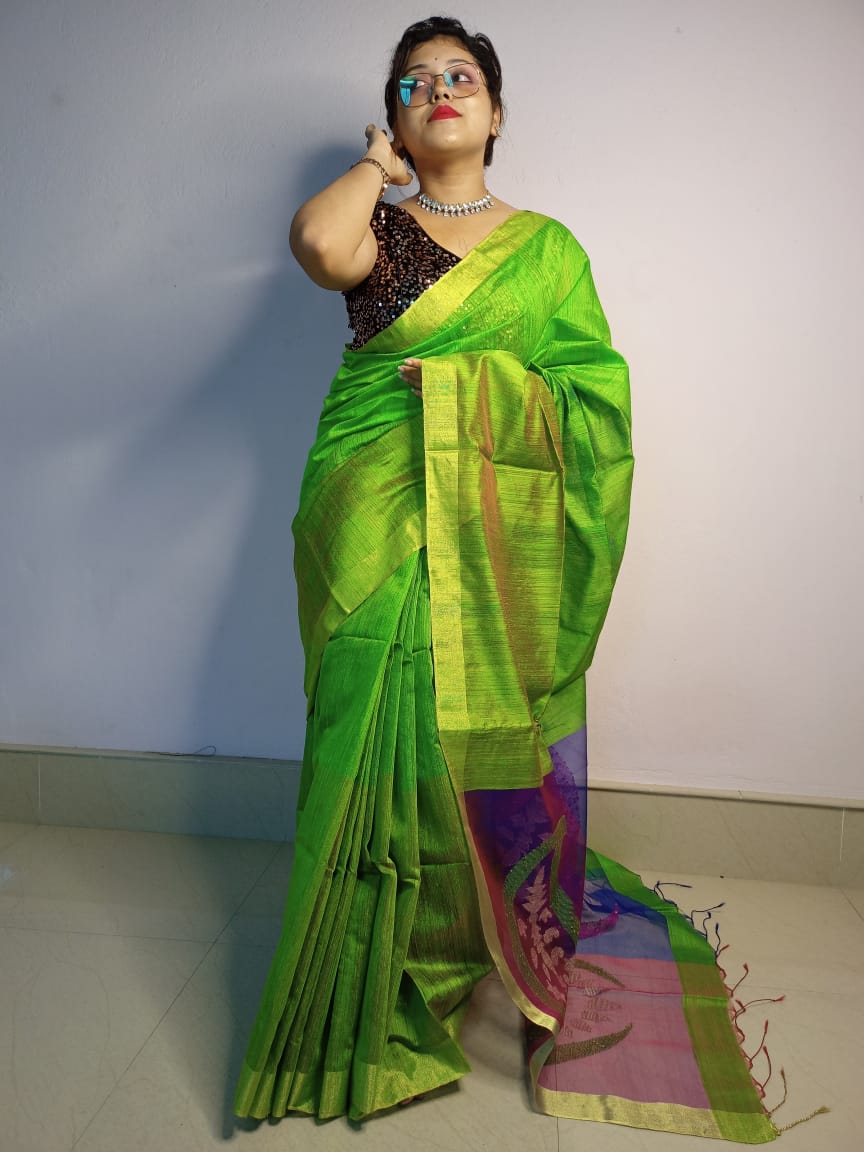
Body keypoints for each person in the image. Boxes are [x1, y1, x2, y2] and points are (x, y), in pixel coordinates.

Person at [233, 16, 782, 1141]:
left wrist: (464, 395)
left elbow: (593, 406)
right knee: (367, 731)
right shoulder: (377, 226)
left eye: (462, 77)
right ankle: (367, 976)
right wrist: (375, 165)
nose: (440, 90)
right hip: (370, 513)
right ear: (395, 116)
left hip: (489, 538)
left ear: (495, 111)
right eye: (414, 82)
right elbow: (317, 246)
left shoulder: (548, 251)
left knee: (474, 744)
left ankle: (486, 954)